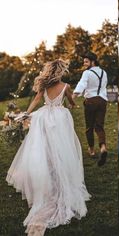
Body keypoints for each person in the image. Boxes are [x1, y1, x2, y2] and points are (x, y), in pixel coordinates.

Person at [6, 59, 91, 236]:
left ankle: (49, 175)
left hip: (44, 118)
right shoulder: (66, 87)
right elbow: (70, 103)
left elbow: (37, 100)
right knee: (61, 148)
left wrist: (27, 114)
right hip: (60, 119)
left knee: (45, 148)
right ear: (60, 71)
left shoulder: (44, 87)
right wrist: (74, 105)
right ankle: (59, 178)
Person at [73, 52, 108, 166]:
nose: (84, 64)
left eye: (86, 62)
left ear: (93, 61)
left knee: (89, 127)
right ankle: (103, 147)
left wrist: (72, 97)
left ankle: (92, 150)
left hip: (91, 101)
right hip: (102, 101)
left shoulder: (87, 73)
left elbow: (81, 85)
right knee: (99, 126)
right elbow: (104, 86)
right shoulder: (104, 72)